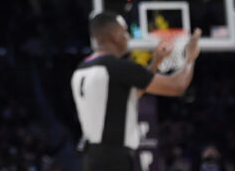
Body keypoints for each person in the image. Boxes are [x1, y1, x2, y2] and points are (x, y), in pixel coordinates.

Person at [71, 12, 201, 171]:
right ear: (115, 36)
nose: (127, 37)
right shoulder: (118, 68)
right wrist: (190, 57)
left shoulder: (82, 68)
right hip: (114, 158)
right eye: (124, 32)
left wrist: (156, 61)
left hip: (91, 157)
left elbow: (129, 96)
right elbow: (177, 86)